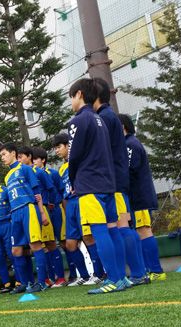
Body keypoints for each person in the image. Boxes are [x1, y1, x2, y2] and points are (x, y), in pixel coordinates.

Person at [67, 78, 126, 294]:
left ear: (79, 94)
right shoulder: (99, 119)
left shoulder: (78, 121)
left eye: (71, 97)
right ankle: (121, 278)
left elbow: (73, 156)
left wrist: (73, 180)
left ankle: (112, 279)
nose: (71, 102)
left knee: (99, 231)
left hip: (89, 184)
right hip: (107, 183)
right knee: (113, 230)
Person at [94, 77, 148, 285]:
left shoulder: (105, 118)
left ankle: (136, 274)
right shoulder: (108, 116)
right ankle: (136, 273)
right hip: (116, 180)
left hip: (113, 182)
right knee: (122, 225)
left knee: (121, 225)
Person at [119, 113, 166, 282]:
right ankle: (147, 269)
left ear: (122, 127)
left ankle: (156, 270)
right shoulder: (126, 144)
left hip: (139, 196)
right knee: (139, 231)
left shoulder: (130, 144)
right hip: (134, 196)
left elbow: (129, 171)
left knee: (144, 230)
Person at [0, 143, 50, 294]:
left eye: (4, 154)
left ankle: (41, 282)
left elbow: (37, 193)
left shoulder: (25, 168)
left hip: (28, 209)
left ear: (13, 153)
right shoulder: (7, 176)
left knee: (35, 245)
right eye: (1, 156)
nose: (2, 158)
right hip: (15, 214)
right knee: (16, 250)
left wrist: (41, 212)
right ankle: (26, 283)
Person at [52, 133, 99, 286]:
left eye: (59, 147)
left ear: (68, 145)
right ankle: (84, 276)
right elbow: (63, 194)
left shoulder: (78, 160)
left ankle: (99, 274)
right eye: (55, 148)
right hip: (70, 207)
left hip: (81, 201)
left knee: (88, 238)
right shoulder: (61, 169)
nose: (57, 151)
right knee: (70, 244)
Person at [19, 146, 66, 288]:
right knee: (39, 245)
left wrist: (50, 203)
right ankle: (47, 278)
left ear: (29, 157)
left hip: (43, 209)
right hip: (29, 212)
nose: (19, 160)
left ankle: (61, 278)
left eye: (21, 157)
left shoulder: (39, 172)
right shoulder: (19, 174)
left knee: (51, 243)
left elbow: (52, 189)